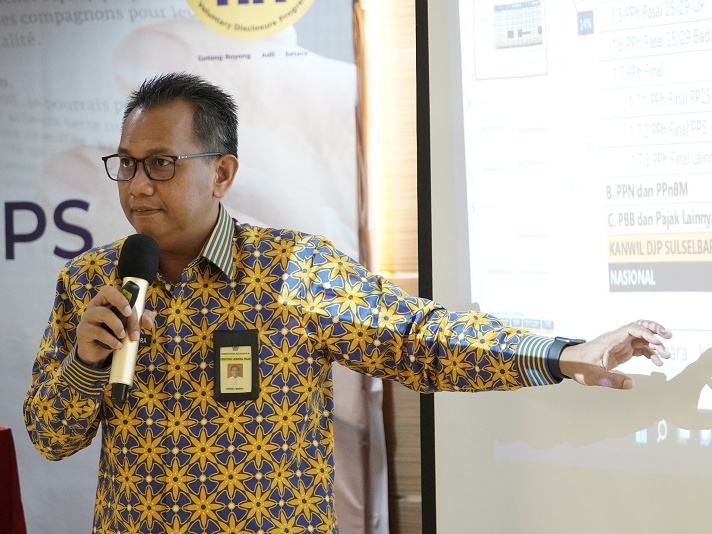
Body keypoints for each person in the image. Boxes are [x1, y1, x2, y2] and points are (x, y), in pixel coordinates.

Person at [23, 72, 672, 534]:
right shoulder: (90, 280)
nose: (137, 185)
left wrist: (558, 354)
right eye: (127, 163)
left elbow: (417, 339)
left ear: (221, 173)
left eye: (161, 163)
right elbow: (51, 438)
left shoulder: (292, 270)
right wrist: (85, 362)